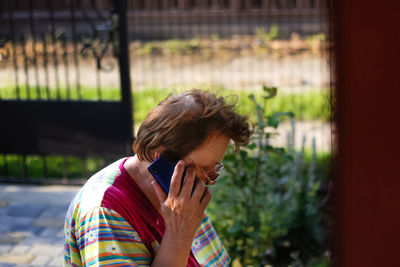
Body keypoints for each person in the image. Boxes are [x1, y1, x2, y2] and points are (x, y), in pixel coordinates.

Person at [64, 89, 252, 266]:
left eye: (214, 169)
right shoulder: (105, 210)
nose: (208, 181)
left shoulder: (180, 196)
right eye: (203, 168)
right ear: (163, 157)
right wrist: (180, 233)